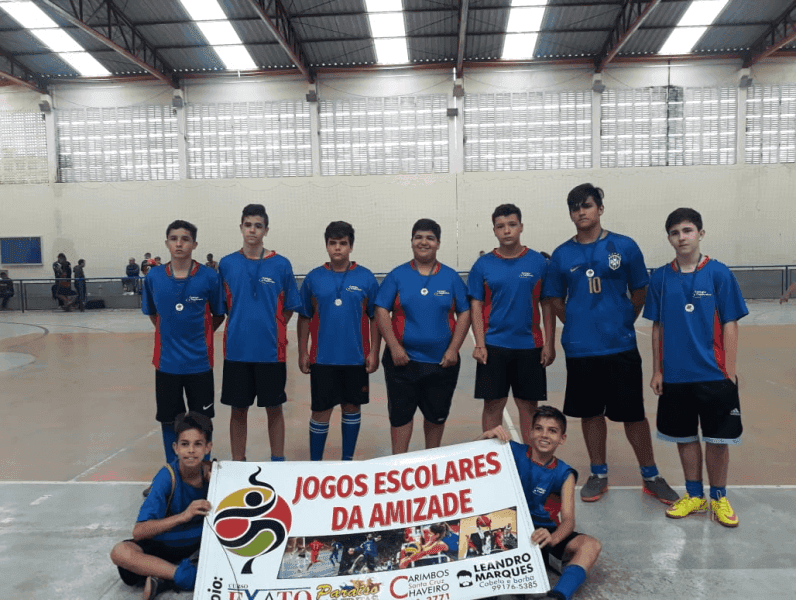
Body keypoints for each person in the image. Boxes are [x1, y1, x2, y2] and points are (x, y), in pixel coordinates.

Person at [542, 183, 677, 505]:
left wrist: (624, 318)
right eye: (575, 208)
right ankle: (598, 473)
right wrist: (576, 322)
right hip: (581, 349)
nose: (581, 212)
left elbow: (640, 290)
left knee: (633, 414)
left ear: (600, 209)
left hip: (620, 346)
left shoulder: (624, 246)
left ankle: (651, 475)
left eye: (587, 205)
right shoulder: (561, 255)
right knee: (590, 414)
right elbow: (555, 299)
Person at [644, 208, 747, 527]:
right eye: (675, 233)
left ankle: (719, 497)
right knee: (685, 437)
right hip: (675, 376)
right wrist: (657, 370)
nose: (682, 237)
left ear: (700, 233)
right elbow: (658, 327)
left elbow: (730, 323)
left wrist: (729, 371)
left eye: (687, 230)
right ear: (669, 238)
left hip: (714, 374)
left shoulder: (719, 273)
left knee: (717, 441)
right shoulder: (660, 278)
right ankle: (694, 496)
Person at [481, 407, 602, 600]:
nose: (544, 435)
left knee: (591, 545)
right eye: (539, 428)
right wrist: (484, 438)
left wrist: (552, 538)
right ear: (530, 432)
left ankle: (557, 595)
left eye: (552, 431)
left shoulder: (564, 473)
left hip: (541, 536)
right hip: (507, 530)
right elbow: (466, 459)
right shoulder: (510, 450)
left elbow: (568, 521)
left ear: (562, 438)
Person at [375, 218, 471, 454]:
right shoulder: (397, 275)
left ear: (438, 243)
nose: (424, 242)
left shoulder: (451, 277)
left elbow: (465, 312)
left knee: (436, 418)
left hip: (441, 364)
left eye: (430, 238)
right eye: (418, 237)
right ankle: (398, 464)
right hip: (402, 363)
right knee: (400, 418)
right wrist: (394, 347)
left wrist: (453, 350)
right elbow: (381, 310)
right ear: (411, 242)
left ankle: (432, 462)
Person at [219, 204, 301, 462]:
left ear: (266, 230)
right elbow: (223, 307)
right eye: (248, 225)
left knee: (274, 408)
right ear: (241, 227)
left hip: (270, 352)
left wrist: (274, 326)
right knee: (238, 409)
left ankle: (278, 461)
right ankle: (238, 463)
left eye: (258, 226)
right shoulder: (227, 264)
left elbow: (289, 306)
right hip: (237, 350)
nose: (252, 230)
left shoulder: (281, 264)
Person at [468, 204, 555, 445]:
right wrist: (480, 343)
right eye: (501, 226)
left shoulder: (538, 263)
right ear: (494, 230)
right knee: (493, 405)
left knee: (528, 406)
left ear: (521, 227)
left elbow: (547, 305)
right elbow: (476, 306)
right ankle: (492, 456)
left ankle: (530, 457)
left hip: (529, 346)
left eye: (512, 225)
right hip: (494, 346)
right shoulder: (482, 265)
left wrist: (549, 343)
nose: (507, 230)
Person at [142, 220, 225, 469]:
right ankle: (173, 471)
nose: (179, 244)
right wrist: (169, 333)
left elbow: (218, 314)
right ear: (167, 243)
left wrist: (200, 335)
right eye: (174, 238)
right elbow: (153, 313)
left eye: (185, 239)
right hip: (166, 364)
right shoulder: (154, 277)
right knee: (169, 420)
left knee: (202, 420)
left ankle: (203, 470)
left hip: (199, 363)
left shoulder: (209, 277)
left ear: (194, 244)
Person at [297, 221, 381, 461]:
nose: (337, 248)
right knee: (320, 411)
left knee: (352, 408)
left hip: (355, 358)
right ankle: (316, 464)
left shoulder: (366, 278)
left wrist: (374, 352)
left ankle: (347, 462)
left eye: (343, 243)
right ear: (326, 245)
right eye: (332, 243)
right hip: (322, 359)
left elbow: (375, 318)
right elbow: (304, 318)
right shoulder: (313, 278)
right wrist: (303, 352)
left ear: (350, 246)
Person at [110, 412, 213, 599]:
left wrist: (218, 480)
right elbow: (139, 531)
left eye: (198, 444)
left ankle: (163, 577)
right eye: (185, 444)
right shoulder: (167, 477)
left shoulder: (215, 474)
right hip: (165, 545)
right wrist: (183, 516)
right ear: (175, 448)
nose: (191, 450)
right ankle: (183, 576)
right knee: (120, 552)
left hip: (199, 546)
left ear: (208, 447)